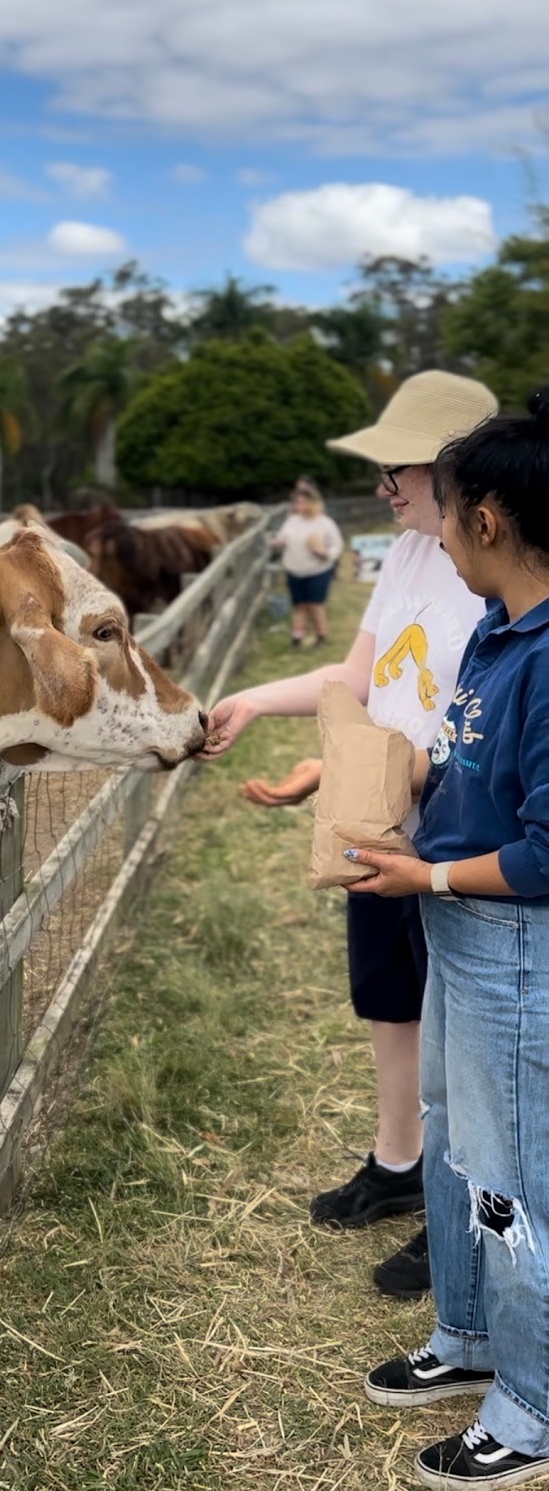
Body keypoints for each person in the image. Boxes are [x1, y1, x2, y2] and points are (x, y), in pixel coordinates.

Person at [202, 370, 497, 1299]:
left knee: (464, 1030)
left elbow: (477, 722)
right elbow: (364, 678)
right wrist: (255, 702)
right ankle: (399, 1161)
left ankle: (463, 1202)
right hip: (380, 819)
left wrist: (356, 773)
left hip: (456, 833)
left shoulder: (501, 568)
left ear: (455, 470)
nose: (383, 487)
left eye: (397, 468)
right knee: (392, 999)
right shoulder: (407, 554)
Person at [353, 393, 549, 1488]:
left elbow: (546, 853)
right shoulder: (496, 627)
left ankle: (531, 1404)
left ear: (486, 519)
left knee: (512, 1172)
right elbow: (459, 755)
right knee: (453, 1138)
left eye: (449, 512)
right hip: (459, 931)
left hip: (514, 946)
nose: (436, 535)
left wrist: (423, 871)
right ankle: (468, 1333)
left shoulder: (548, 655)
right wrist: (378, 788)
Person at [271, 485, 344, 647]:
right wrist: (278, 542)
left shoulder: (325, 523)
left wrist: (325, 553)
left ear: (313, 503)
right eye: (297, 502)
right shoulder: (292, 521)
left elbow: (337, 546)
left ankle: (321, 636)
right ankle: (297, 637)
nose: (299, 506)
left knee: (315, 605)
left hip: (317, 571)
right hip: (294, 570)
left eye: (303, 502)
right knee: (299, 605)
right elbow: (283, 537)